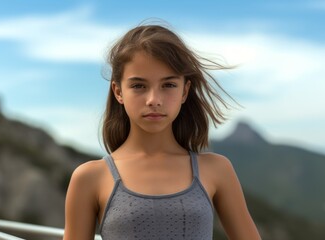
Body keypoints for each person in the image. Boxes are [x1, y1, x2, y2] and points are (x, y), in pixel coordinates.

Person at [63, 23, 261, 240]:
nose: (154, 100)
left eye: (168, 85)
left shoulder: (217, 170)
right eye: (139, 86)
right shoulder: (89, 178)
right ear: (118, 92)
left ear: (185, 91)